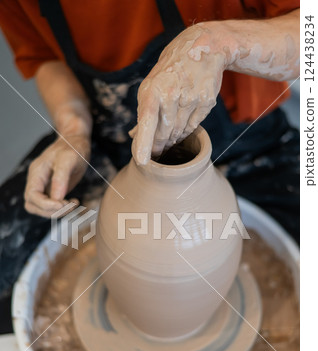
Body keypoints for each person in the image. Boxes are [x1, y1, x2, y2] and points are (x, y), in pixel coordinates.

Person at [0, 0, 300, 333]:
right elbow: (45, 56)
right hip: (106, 141)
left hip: (247, 140)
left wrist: (219, 43)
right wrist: (73, 130)